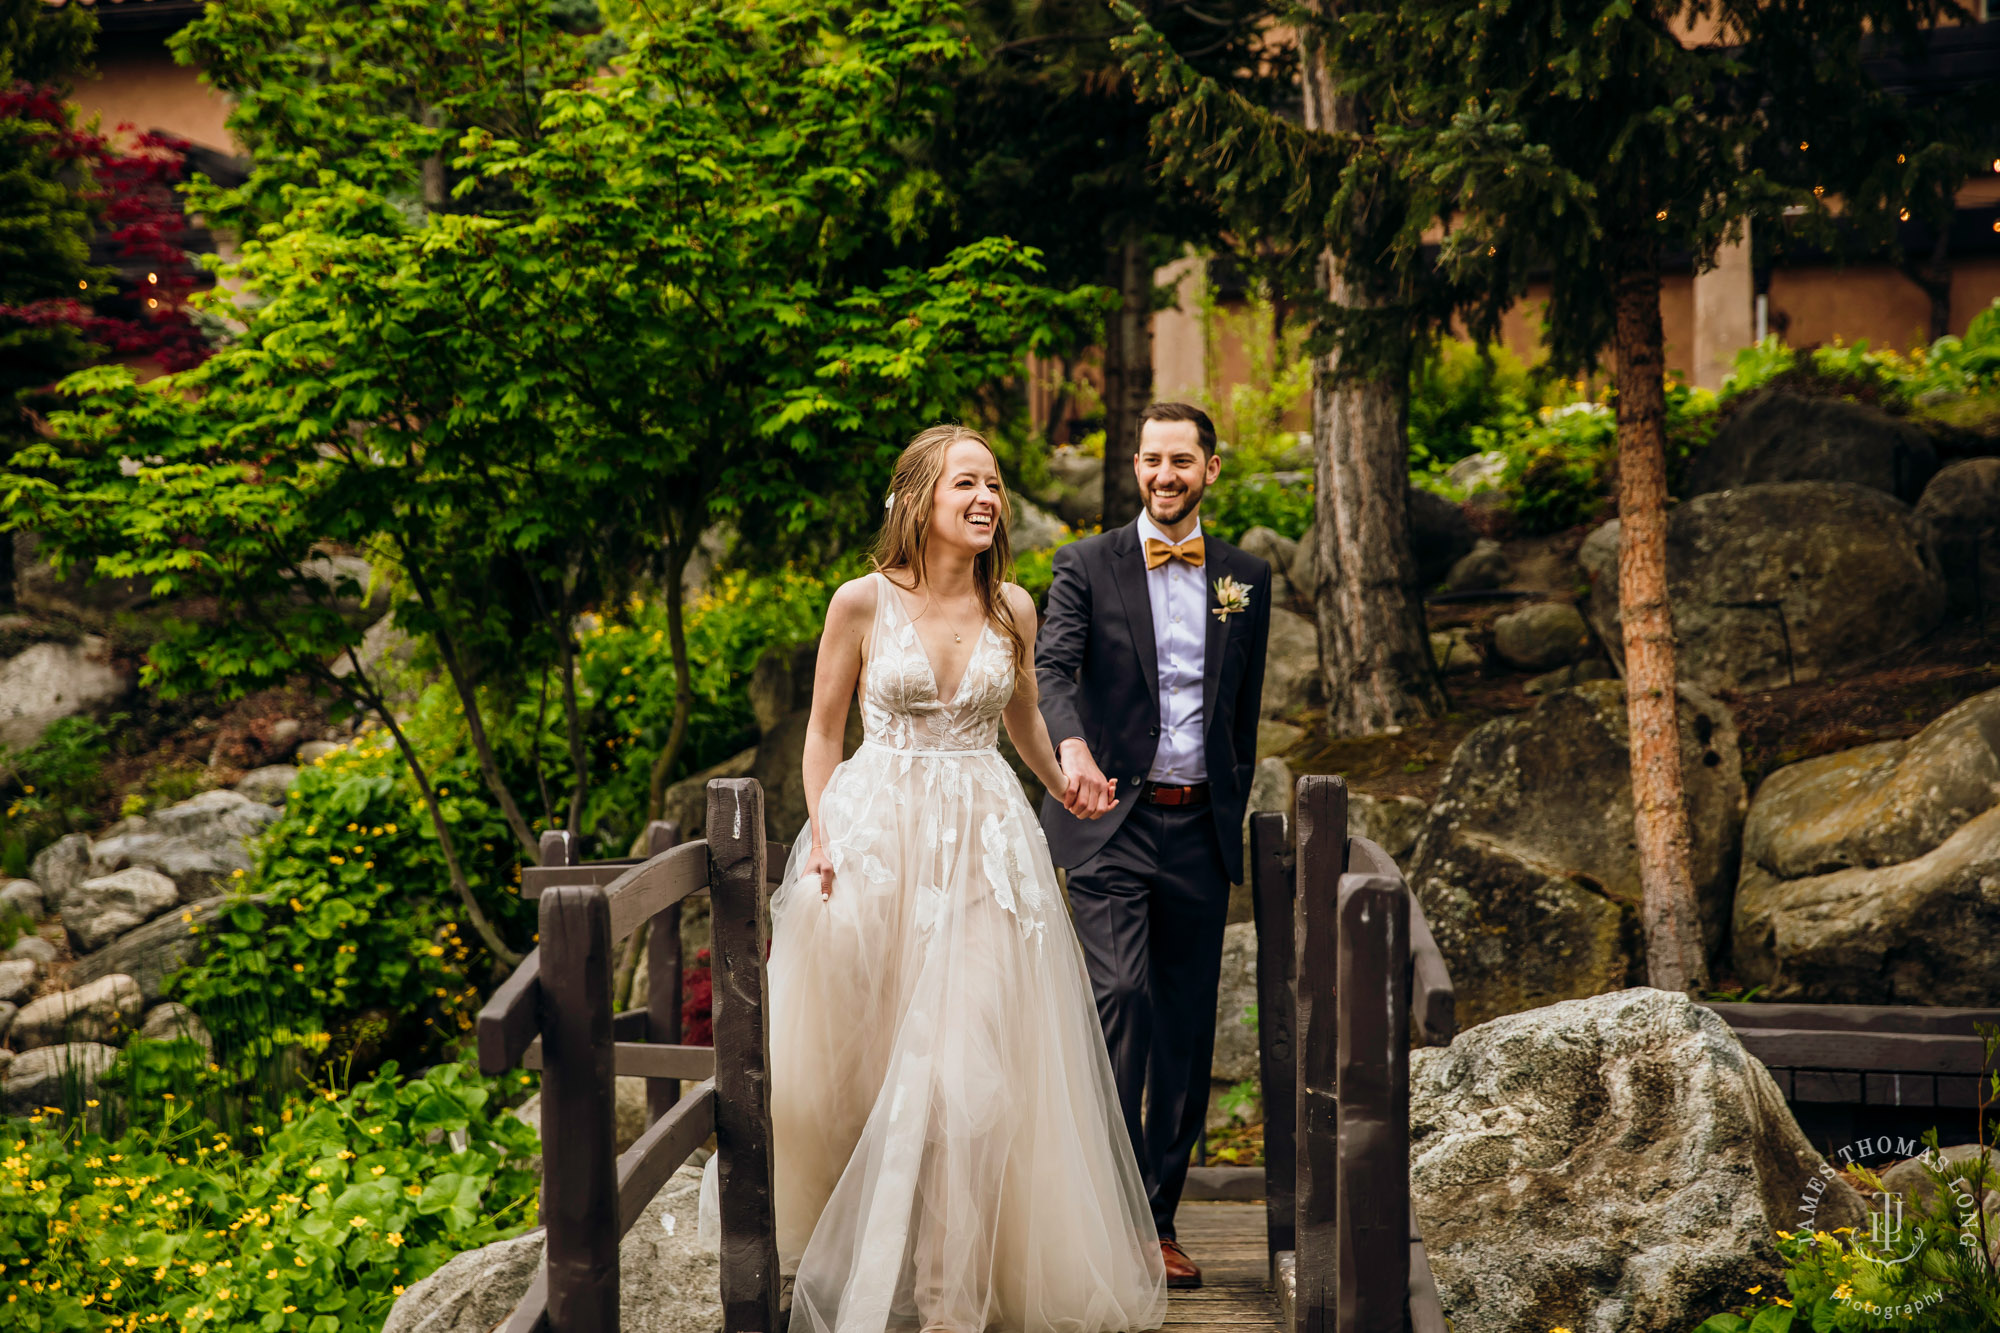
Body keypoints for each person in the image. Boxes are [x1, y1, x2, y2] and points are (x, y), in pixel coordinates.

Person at [754, 424, 1168, 1333]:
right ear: (919, 502)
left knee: (967, 1087)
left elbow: (1021, 719)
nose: (986, 498)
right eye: (965, 483)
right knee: (860, 1085)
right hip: (874, 845)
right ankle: (866, 1270)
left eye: (994, 483)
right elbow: (824, 735)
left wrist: (1068, 779)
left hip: (985, 851)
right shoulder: (860, 601)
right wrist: (820, 830)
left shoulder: (1012, 608)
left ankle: (950, 1307)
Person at [1034, 402, 1272, 1290]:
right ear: (1134, 468)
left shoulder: (1246, 576)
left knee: (1184, 1032)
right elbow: (1050, 670)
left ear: (1211, 468)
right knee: (1121, 996)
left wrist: (1231, 808)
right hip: (1110, 823)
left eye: (1182, 460)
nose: (1164, 475)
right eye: (1149, 460)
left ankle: (1157, 1223)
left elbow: (1241, 714)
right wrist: (1072, 748)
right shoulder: (1086, 565)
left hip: (1199, 828)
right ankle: (1106, 1209)